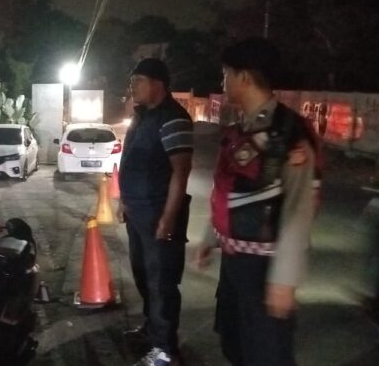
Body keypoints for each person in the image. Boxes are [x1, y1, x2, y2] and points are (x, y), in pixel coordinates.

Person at [195, 38, 320, 366]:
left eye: (226, 74)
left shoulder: (288, 132)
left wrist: (284, 279)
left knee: (267, 353)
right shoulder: (239, 130)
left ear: (244, 77)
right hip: (234, 263)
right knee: (234, 344)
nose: (223, 82)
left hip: (265, 268)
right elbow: (228, 189)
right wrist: (211, 236)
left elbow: (299, 208)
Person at [117, 57, 194, 366]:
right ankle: (152, 330)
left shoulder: (173, 118)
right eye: (131, 82)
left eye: (138, 81)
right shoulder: (142, 117)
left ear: (158, 84)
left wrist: (168, 218)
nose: (132, 87)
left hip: (159, 214)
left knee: (162, 283)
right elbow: (131, 162)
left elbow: (181, 171)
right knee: (143, 275)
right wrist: (124, 201)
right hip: (137, 213)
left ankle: (166, 351)